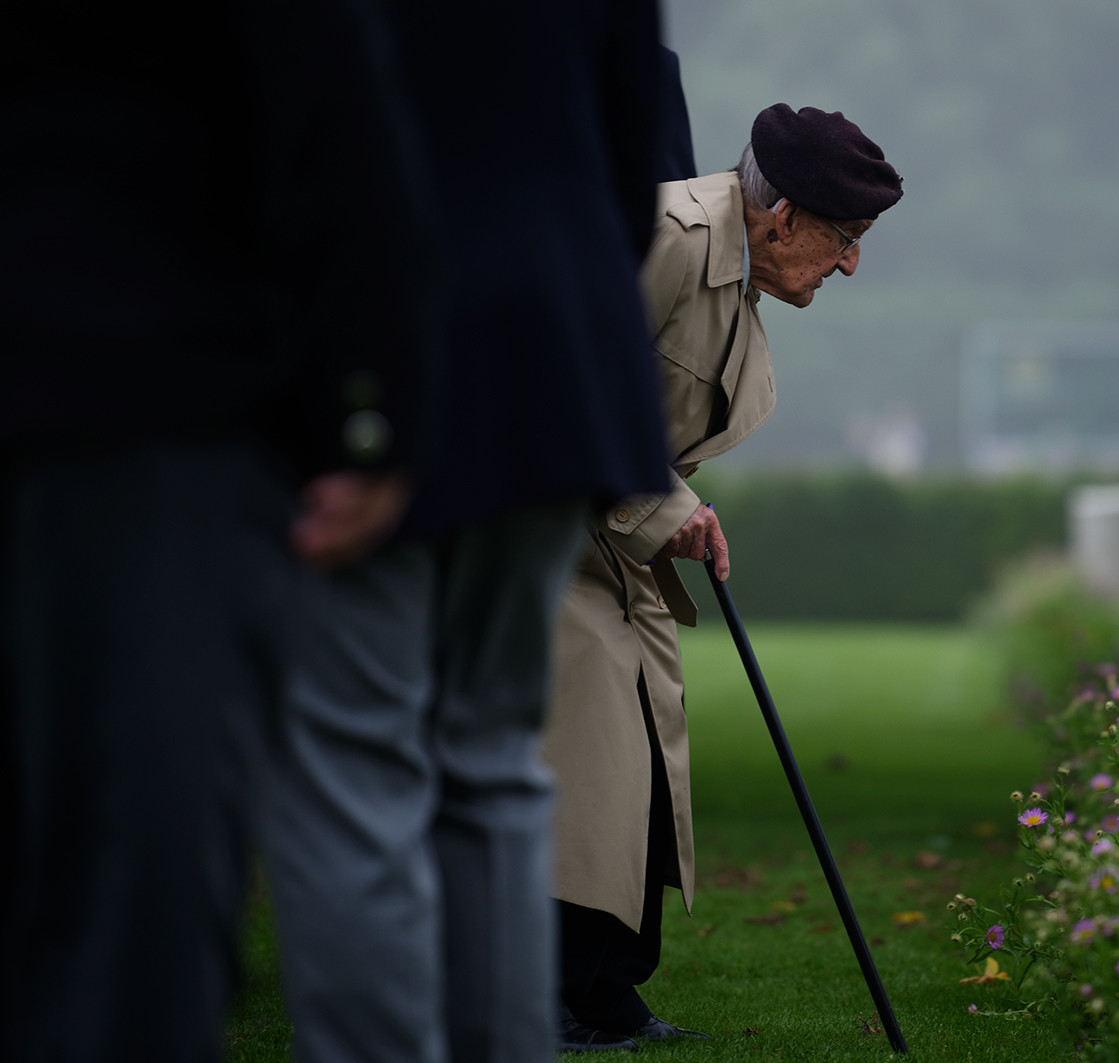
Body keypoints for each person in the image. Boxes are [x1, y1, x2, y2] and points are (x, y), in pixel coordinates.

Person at [0, 2, 432, 1060]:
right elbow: (331, 111)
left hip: (120, 381)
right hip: (152, 403)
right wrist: (375, 412)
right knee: (133, 871)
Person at [257, 4, 671, 1062]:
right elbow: (635, 159)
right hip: (553, 348)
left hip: (374, 328)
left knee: (356, 764)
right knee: (489, 756)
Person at [545, 103, 904, 1051]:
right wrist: (673, 508)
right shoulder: (663, 235)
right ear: (781, 216)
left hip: (611, 545)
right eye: (847, 238)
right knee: (590, 777)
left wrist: (667, 511)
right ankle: (564, 995)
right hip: (541, 543)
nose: (852, 264)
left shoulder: (737, 269)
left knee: (642, 782)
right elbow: (569, 383)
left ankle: (603, 993)